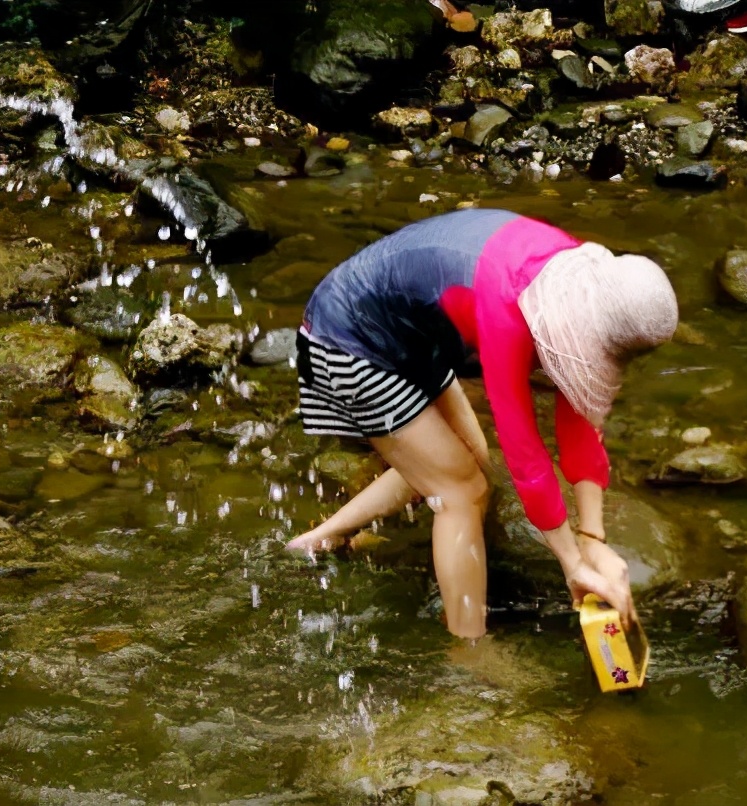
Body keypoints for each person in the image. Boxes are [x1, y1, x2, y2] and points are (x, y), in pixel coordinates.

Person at [285, 208, 679, 640]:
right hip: (347, 338)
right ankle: (469, 648)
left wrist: (593, 539)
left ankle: (317, 540)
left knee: (468, 464)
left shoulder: (576, 280)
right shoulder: (508, 308)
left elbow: (579, 419)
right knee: (461, 489)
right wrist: (573, 566)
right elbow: (523, 449)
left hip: (414, 338)